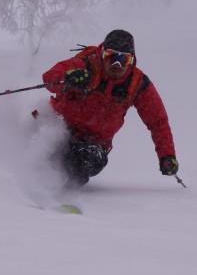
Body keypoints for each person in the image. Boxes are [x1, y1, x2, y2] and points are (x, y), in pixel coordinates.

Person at [41, 29, 179, 188]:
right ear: (102, 54)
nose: (116, 65)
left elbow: (158, 122)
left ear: (132, 60)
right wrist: (67, 78)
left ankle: (62, 193)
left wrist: (167, 156)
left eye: (124, 60)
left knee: (84, 160)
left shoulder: (137, 84)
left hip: (93, 145)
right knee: (47, 151)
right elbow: (49, 77)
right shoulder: (87, 66)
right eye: (111, 56)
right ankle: (25, 189)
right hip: (59, 129)